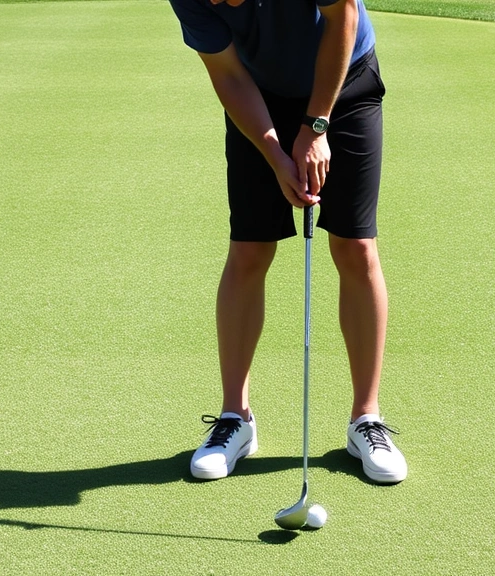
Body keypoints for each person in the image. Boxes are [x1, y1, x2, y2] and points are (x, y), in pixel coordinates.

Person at [168, 0, 407, 484]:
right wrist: (277, 155)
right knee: (250, 247)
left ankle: (367, 419)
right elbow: (229, 74)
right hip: (261, 91)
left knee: (355, 246)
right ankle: (236, 419)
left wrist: (316, 126)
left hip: (346, 80)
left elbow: (343, 18)